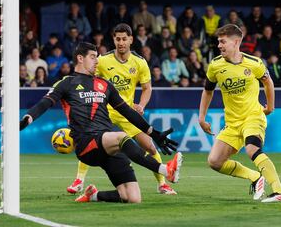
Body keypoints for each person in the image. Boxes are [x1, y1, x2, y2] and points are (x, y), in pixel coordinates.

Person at [19, 42, 182, 203]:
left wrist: (154, 133)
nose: (97, 61)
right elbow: (45, 103)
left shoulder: (104, 85)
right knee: (121, 137)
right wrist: (29, 117)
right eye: (92, 57)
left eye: (97, 57)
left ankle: (94, 195)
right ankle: (166, 170)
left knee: (132, 198)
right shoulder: (67, 83)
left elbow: (128, 112)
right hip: (86, 143)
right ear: (80, 58)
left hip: (106, 146)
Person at [67, 23, 178, 195]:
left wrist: (141, 105)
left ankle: (162, 184)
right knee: (92, 142)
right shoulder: (103, 61)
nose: (121, 43)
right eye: (117, 39)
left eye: (124, 39)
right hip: (104, 112)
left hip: (127, 113)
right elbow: (87, 77)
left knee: (149, 145)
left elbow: (147, 88)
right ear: (114, 40)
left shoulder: (140, 62)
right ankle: (79, 180)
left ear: (131, 40)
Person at [198, 24, 281, 203]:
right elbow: (207, 91)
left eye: (223, 42)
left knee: (252, 149)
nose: (219, 46)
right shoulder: (215, 65)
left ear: (236, 42)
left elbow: (268, 82)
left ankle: (280, 192)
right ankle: (255, 177)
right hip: (232, 122)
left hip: (253, 116)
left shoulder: (254, 63)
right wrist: (201, 117)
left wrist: (270, 107)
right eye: (218, 42)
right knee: (215, 161)